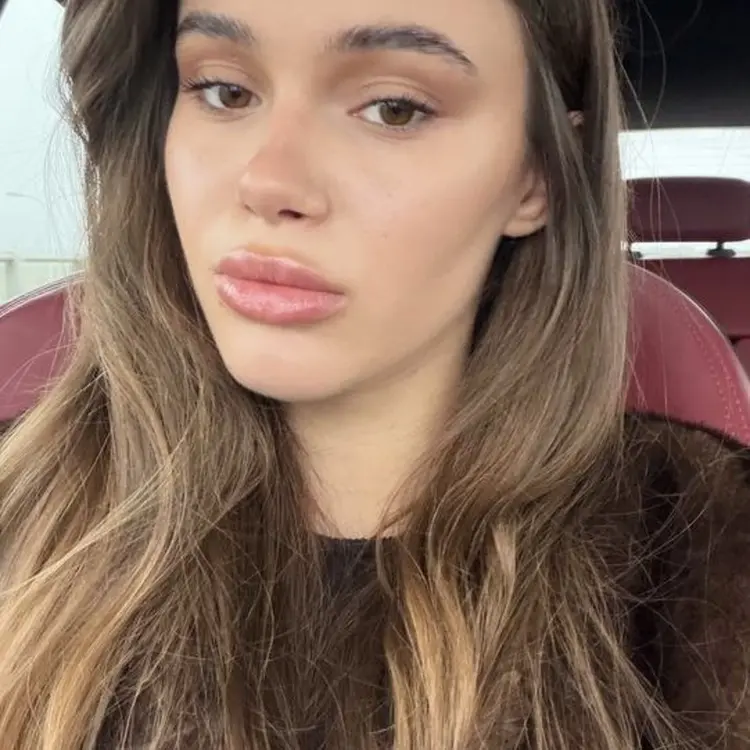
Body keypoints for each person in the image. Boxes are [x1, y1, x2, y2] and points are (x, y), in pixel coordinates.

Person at [0, 0, 748, 747]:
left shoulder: (708, 558)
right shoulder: (23, 512)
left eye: (395, 108)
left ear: (537, 177)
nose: (269, 182)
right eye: (224, 91)